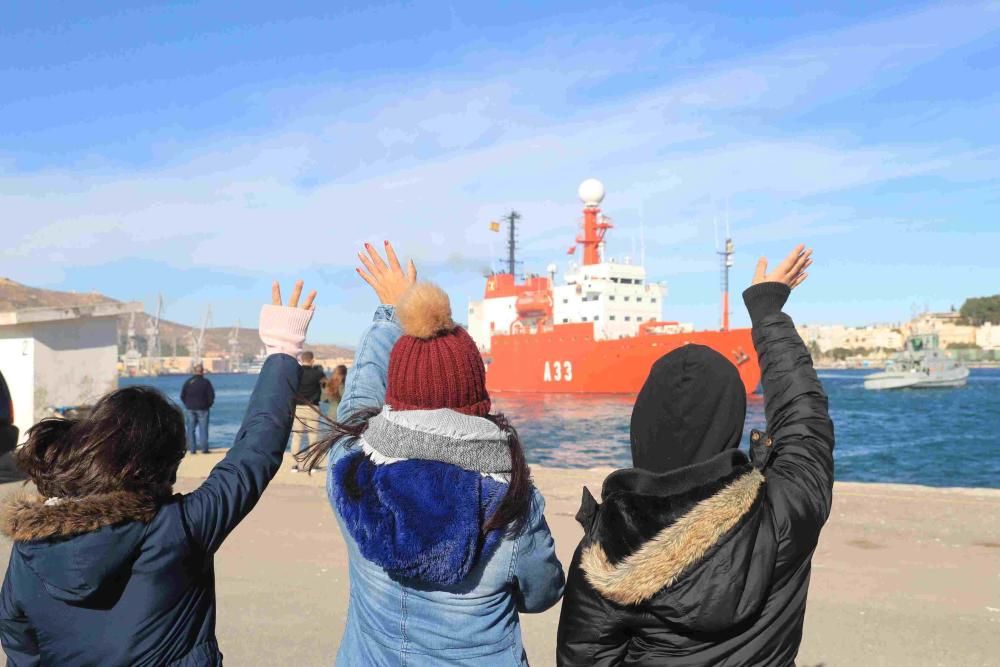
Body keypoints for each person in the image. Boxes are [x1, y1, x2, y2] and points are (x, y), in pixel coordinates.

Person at [0, 280, 317, 666]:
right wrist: (283, 351)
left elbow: (20, 642)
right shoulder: (179, 528)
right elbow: (256, 452)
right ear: (157, 464)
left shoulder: (32, 547)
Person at [556, 245, 835, 666]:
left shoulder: (608, 548)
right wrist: (767, 311)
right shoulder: (785, 510)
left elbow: (584, 659)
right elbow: (803, 417)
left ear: (642, 425)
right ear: (731, 420)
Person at [297, 241, 564, 666]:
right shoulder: (512, 505)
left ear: (397, 393)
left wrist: (392, 310)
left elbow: (359, 395)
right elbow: (543, 592)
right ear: (477, 392)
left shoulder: (349, 472)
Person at [289, 351, 325, 472]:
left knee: (297, 436)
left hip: (298, 407)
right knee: (313, 437)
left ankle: (296, 465)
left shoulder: (296, 373)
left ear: (301, 359)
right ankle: (313, 465)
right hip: (312, 407)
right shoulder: (317, 373)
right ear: (312, 360)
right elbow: (326, 384)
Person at [180, 363, 215, 454]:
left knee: (190, 429)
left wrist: (187, 404)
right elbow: (211, 396)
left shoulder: (188, 382)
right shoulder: (206, 382)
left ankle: (192, 449)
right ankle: (204, 449)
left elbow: (182, 395)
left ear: (194, 371)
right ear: (202, 371)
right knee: (203, 429)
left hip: (190, 408)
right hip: (203, 408)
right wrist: (208, 405)